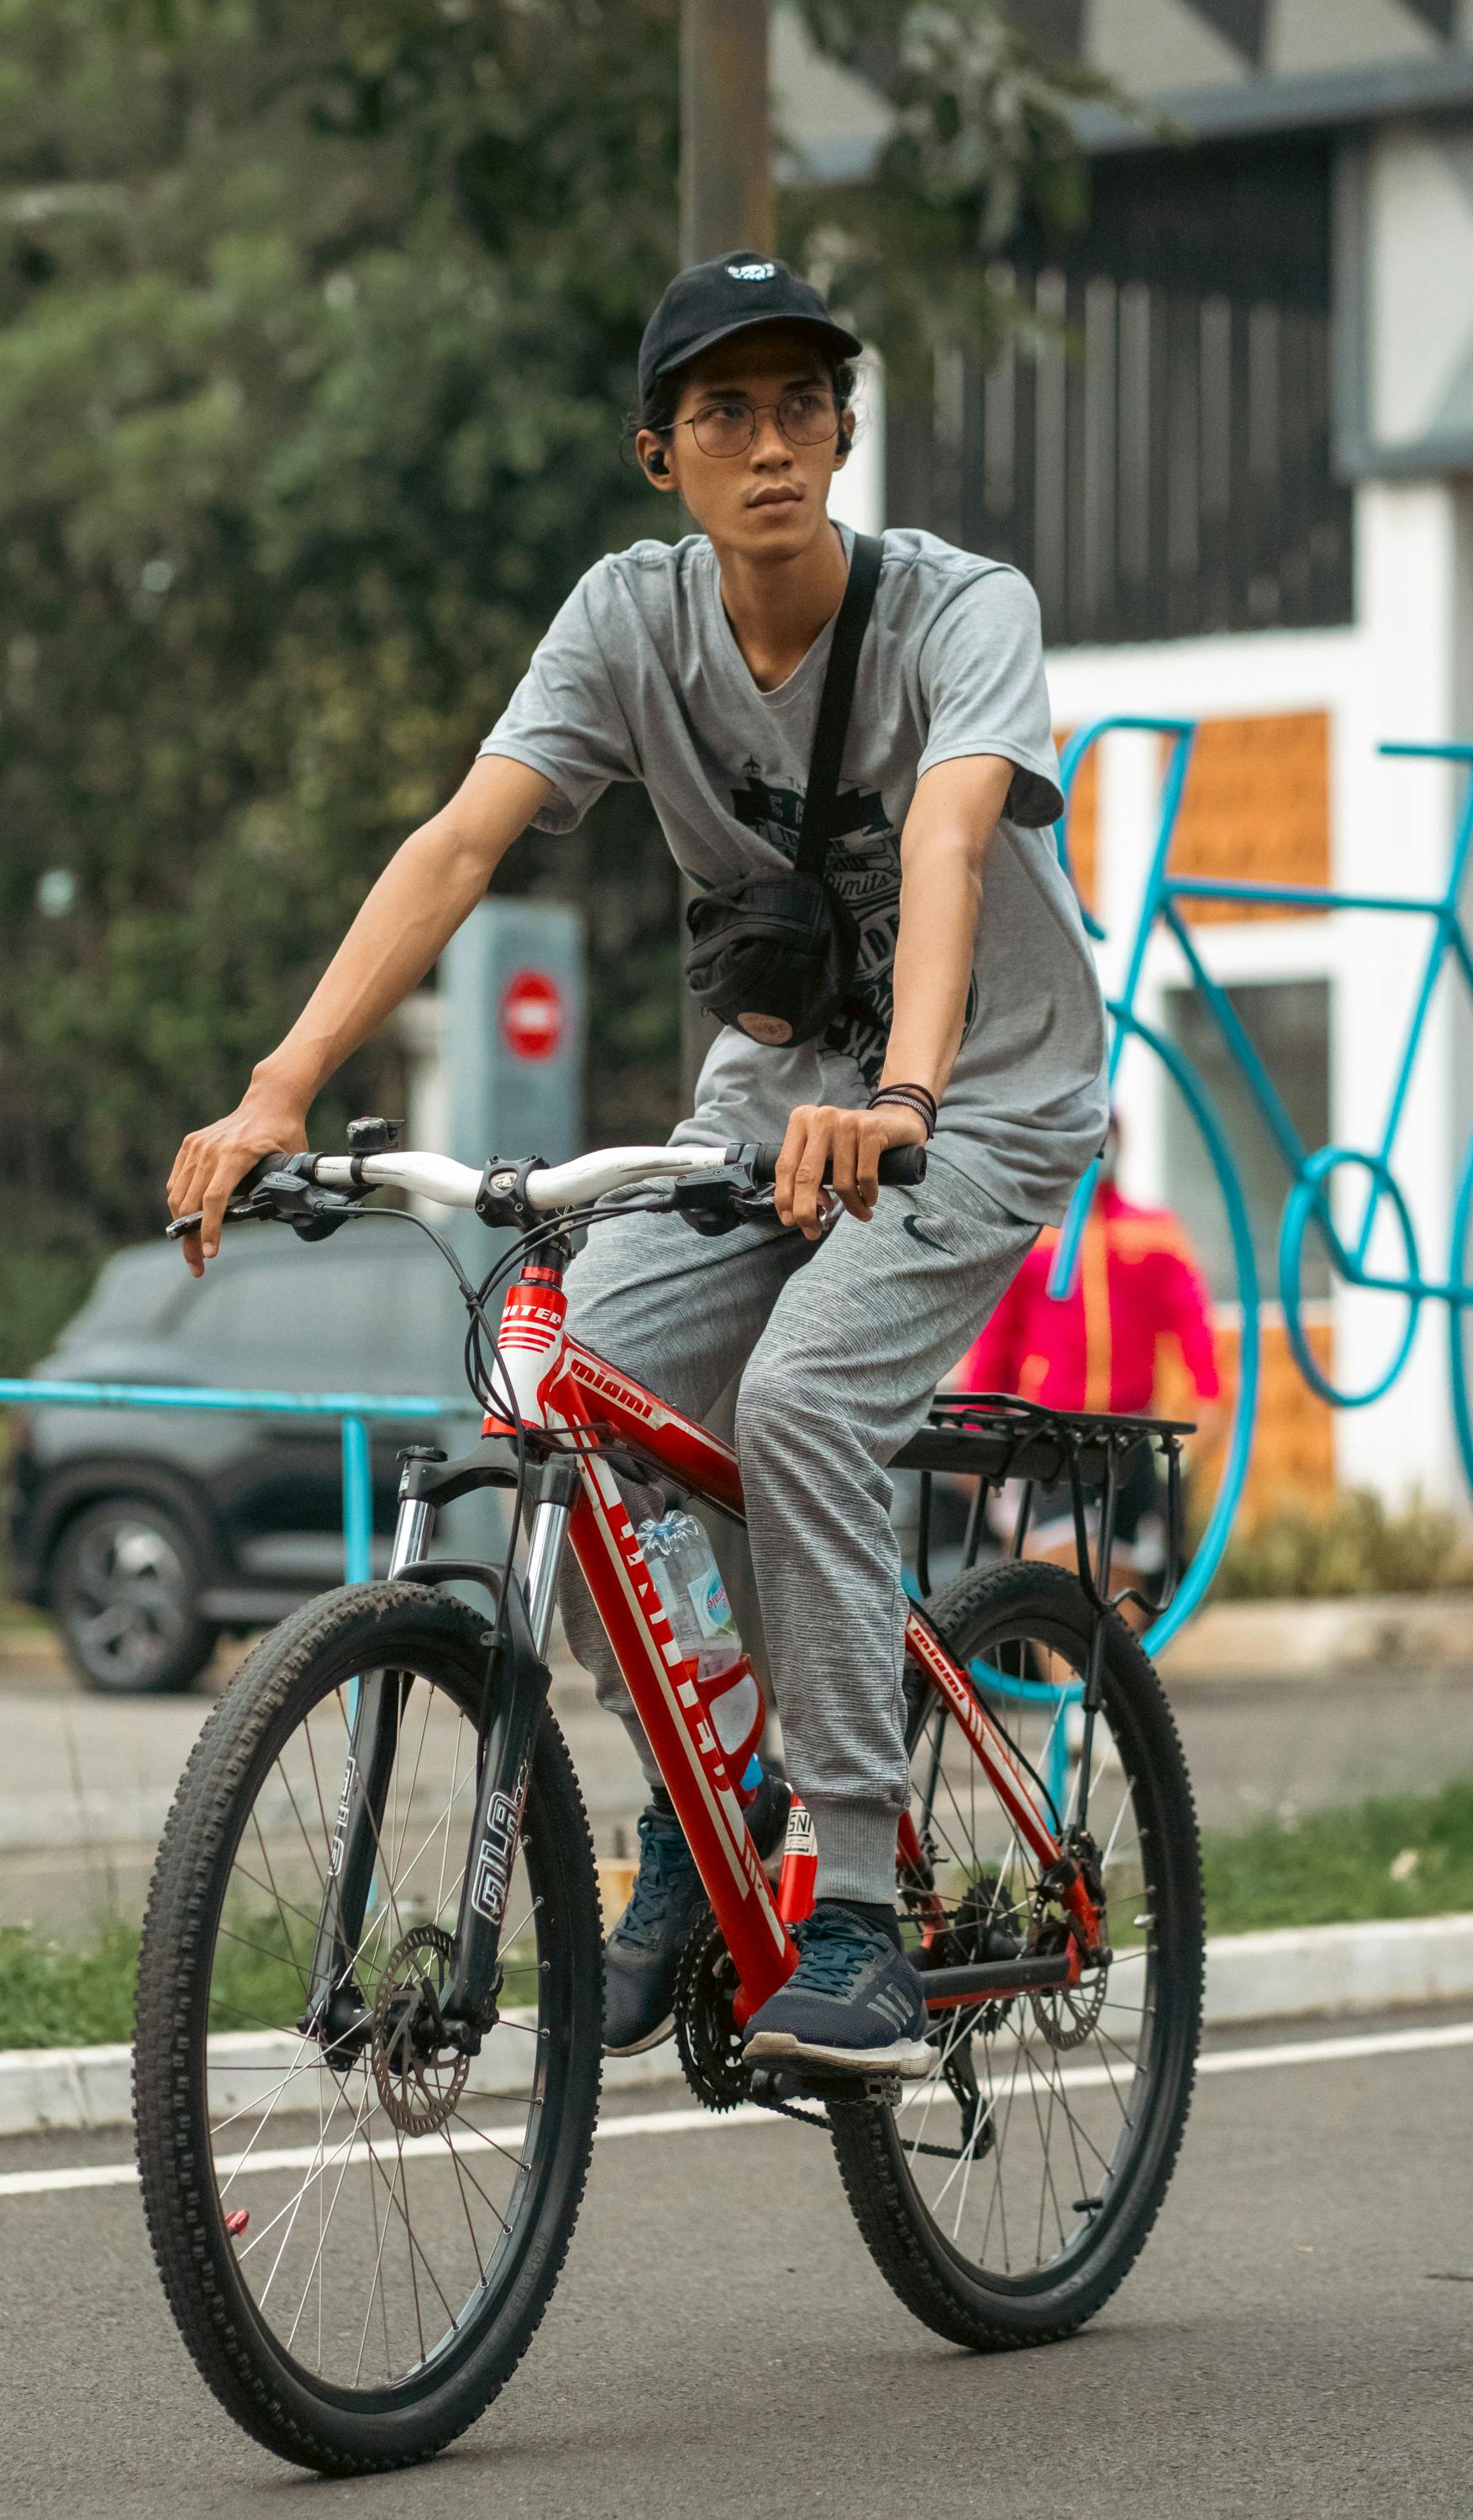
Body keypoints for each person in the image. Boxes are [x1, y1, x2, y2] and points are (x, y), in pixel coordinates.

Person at [166, 251, 1107, 2079]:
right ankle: (706, 1790)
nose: (772, 446)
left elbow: (947, 836)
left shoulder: (957, 609)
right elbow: (458, 843)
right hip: (765, 1102)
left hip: (980, 1093)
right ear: (656, 454)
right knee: (566, 1384)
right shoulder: (624, 623)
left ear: (841, 435)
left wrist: (904, 1096)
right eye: (725, 414)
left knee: (805, 1403)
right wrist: (280, 1087)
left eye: (803, 407)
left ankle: (853, 1908)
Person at [964, 1117, 1221, 1601]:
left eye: (1107, 1140)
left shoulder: (1153, 1231)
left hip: (1129, 1431)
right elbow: (997, 1340)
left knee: (1124, 1576)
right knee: (1054, 1571)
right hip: (1050, 1431)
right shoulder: (1032, 1232)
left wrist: (1209, 1396)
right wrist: (980, 1427)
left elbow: (1191, 1320)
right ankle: (1065, 1676)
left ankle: (1109, 1678)